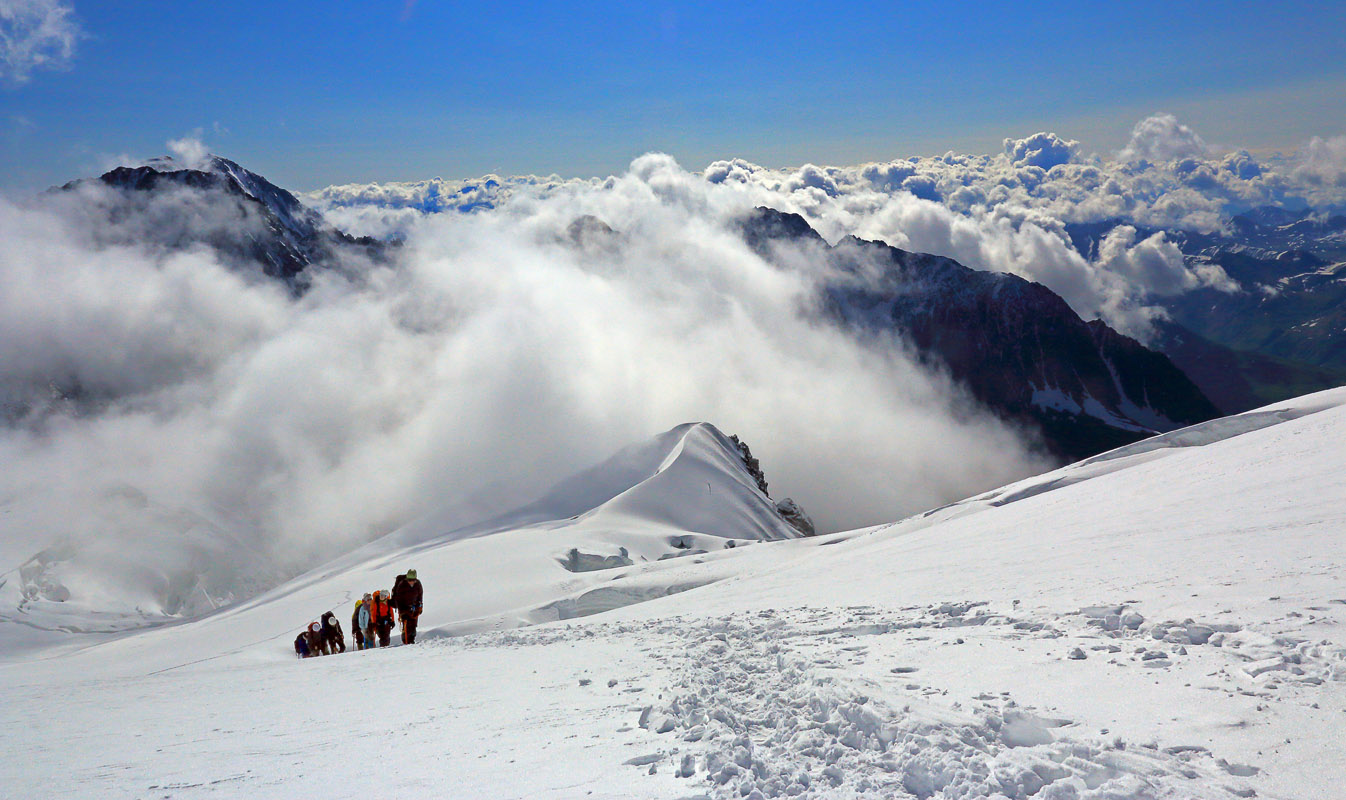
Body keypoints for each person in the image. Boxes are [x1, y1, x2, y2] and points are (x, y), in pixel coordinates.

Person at [392, 568, 423, 644]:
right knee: (406, 626)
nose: (411, 582)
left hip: (414, 608)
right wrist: (402, 613)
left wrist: (419, 607)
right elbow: (398, 600)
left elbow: (420, 596)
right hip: (404, 608)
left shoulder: (418, 585)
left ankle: (411, 641)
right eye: (409, 580)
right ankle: (406, 642)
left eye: (413, 580)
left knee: (413, 625)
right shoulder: (402, 585)